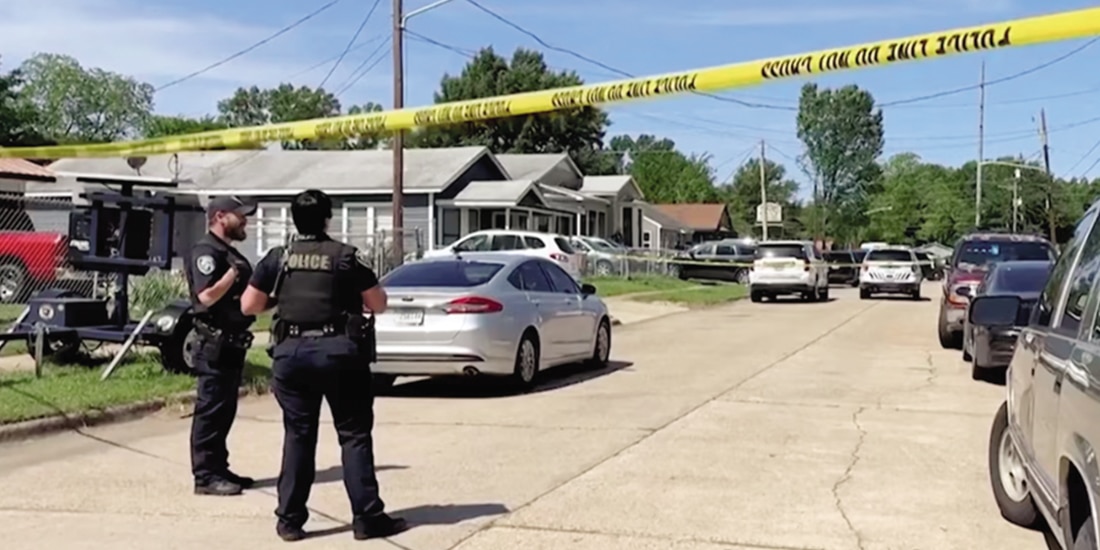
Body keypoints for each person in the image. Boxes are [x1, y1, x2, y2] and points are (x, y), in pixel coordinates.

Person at [241, 189, 407, 542]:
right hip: (340, 354)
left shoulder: (278, 257)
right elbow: (377, 304)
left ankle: (289, 520)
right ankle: (367, 519)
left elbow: (249, 306)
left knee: (299, 437)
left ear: (294, 220)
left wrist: (283, 299)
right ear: (328, 219)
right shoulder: (346, 257)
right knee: (354, 435)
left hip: (292, 355)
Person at [184, 196, 258, 496]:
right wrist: (232, 275)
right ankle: (204, 476)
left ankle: (219, 468)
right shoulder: (206, 251)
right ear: (220, 216)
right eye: (240, 216)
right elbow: (206, 297)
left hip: (232, 343)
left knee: (225, 411)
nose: (245, 221)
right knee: (210, 410)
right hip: (212, 343)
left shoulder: (229, 252)